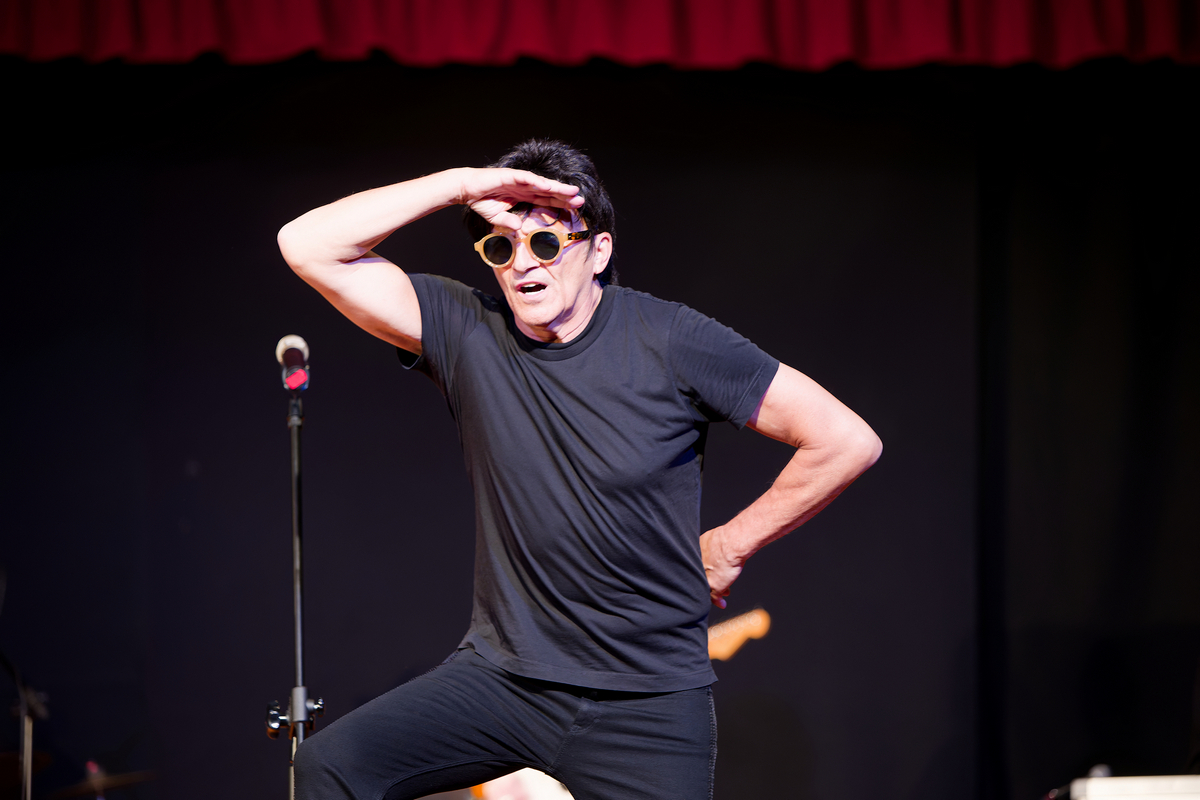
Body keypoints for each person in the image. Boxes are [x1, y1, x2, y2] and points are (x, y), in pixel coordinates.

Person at [277, 140, 881, 800]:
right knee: (329, 765)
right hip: (504, 682)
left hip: (646, 704)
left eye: (545, 242)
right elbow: (307, 244)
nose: (522, 264)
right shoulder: (468, 329)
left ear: (598, 251)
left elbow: (844, 440)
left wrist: (731, 546)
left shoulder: (671, 339)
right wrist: (461, 184)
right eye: (502, 247)